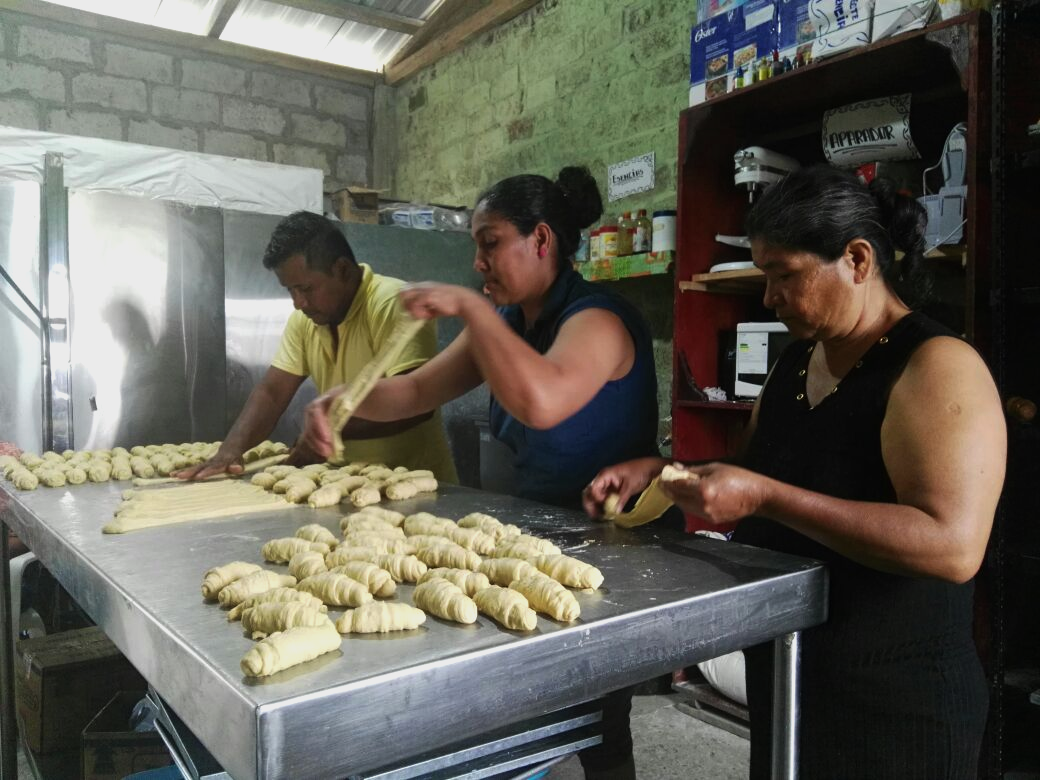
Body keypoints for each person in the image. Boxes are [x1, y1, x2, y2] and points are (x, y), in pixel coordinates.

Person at [583, 165, 1006, 779]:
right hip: (793, 684)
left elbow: (951, 545)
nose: (770, 298)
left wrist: (766, 498)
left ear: (857, 260)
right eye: (765, 276)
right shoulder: (795, 364)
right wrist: (664, 472)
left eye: (785, 275)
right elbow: (753, 471)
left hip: (897, 711)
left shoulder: (936, 366)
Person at [299, 166, 659, 779]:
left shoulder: (596, 319)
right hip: (535, 536)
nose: (478, 262)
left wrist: (469, 306)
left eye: (490, 243)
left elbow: (541, 400)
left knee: (599, 721)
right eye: (475, 248)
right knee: (526, 711)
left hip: (611, 547)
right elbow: (415, 390)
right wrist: (344, 400)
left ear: (540, 240)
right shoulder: (512, 322)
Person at [176, 211, 456, 482]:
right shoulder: (304, 320)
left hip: (417, 486)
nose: (298, 302)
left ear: (343, 270)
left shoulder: (392, 304)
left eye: (306, 289)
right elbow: (272, 393)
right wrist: (229, 452)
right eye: (290, 291)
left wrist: (328, 430)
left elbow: (418, 403)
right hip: (347, 486)